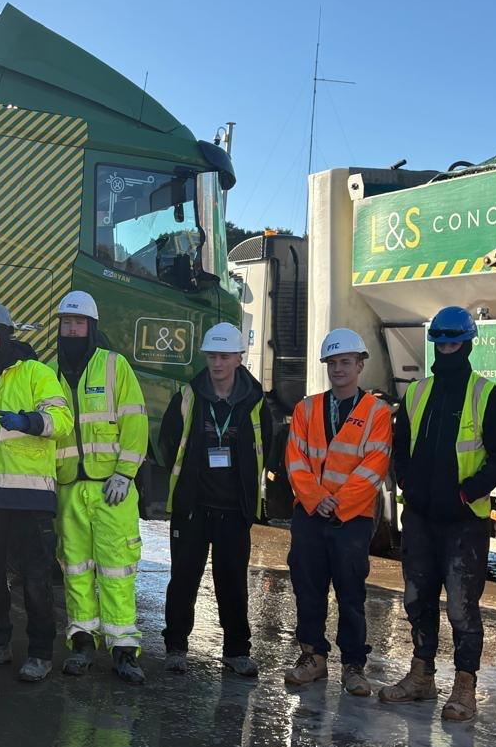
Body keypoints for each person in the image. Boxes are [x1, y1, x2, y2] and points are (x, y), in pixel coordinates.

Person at [380, 305, 496, 722]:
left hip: (463, 521)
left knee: (461, 608)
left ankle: (464, 687)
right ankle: (421, 676)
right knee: (417, 600)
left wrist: (465, 493)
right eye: (440, 341)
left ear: (468, 343)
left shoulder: (486, 394)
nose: (447, 348)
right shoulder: (417, 393)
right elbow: (399, 447)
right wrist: (407, 483)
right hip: (420, 517)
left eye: (454, 341)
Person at [157, 321, 272, 678]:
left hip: (234, 510)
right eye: (211, 356)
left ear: (239, 358)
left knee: (233, 582)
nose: (217, 363)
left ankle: (237, 651)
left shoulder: (254, 402)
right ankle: (176, 647)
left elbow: (267, 445)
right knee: (183, 579)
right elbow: (167, 442)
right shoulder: (189, 397)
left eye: (224, 356)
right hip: (193, 507)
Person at [0, 301, 70, 682]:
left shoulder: (36, 373)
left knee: (36, 579)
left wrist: (28, 421)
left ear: (7, 336)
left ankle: (40, 652)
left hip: (29, 498)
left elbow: (63, 421)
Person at [283, 327, 392, 696]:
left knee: (350, 593)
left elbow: (374, 464)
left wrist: (339, 502)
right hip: (311, 515)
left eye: (346, 362)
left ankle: (353, 665)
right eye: (332, 363)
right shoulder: (307, 408)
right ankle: (312, 656)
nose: (338, 369)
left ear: (360, 365)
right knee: (308, 588)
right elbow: (295, 459)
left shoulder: (376, 412)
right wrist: (316, 498)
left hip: (352, 519)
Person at [52, 290, 148, 684]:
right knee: (74, 569)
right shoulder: (49, 373)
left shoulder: (114, 366)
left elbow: (135, 420)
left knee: (116, 571)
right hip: (69, 487)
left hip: (112, 489)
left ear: (91, 328)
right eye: (66, 323)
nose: (72, 330)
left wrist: (126, 472)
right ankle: (82, 644)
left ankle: (124, 649)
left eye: (79, 324)